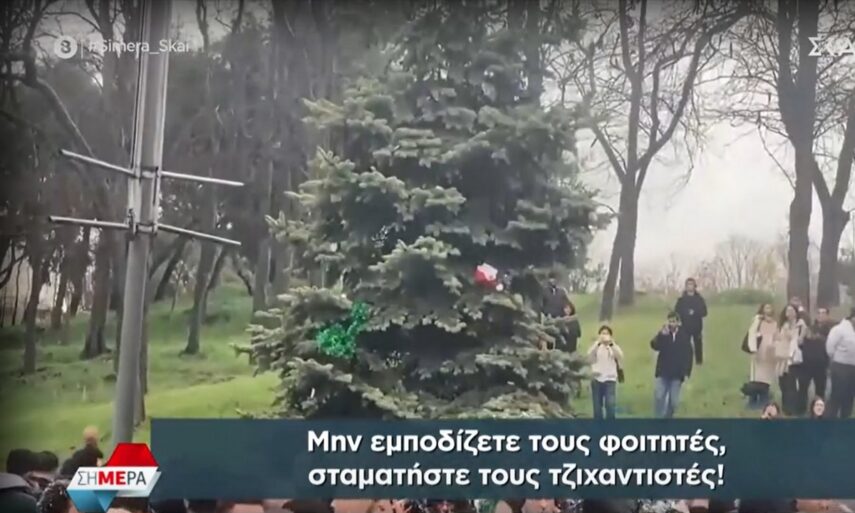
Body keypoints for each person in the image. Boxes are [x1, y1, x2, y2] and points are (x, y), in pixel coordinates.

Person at [650, 311, 693, 418]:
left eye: (674, 321)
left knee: (674, 402)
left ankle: (668, 418)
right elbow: (654, 346)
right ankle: (657, 419)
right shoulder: (663, 334)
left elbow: (689, 355)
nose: (671, 324)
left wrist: (687, 372)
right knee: (659, 396)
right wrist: (660, 335)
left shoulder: (684, 336)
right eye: (670, 321)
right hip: (663, 372)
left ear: (678, 323)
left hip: (677, 374)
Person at [776, 304, 808, 416]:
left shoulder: (801, 325)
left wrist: (798, 334)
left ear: (796, 312)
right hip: (782, 358)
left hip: (794, 359)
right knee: (783, 384)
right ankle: (786, 408)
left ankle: (795, 408)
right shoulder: (783, 325)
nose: (789, 313)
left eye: (792, 310)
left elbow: (801, 340)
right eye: (787, 311)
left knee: (792, 385)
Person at [744, 304, 778, 409]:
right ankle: (753, 400)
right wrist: (753, 350)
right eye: (766, 307)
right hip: (759, 350)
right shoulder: (758, 320)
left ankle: (764, 398)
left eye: (770, 307)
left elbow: (777, 336)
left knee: (767, 376)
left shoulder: (775, 323)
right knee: (756, 376)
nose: (768, 309)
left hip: (770, 352)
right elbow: (752, 334)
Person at [587, 325, 623, 420]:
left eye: (607, 334)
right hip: (597, 379)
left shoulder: (613, 346)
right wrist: (598, 343)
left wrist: (611, 344)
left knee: (610, 404)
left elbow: (620, 356)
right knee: (597, 406)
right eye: (603, 333)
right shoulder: (596, 346)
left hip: (610, 379)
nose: (604, 336)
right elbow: (589, 356)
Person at [826, 307, 855, 418]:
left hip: (853, 369)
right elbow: (830, 347)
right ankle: (830, 420)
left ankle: (845, 419)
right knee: (837, 395)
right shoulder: (839, 329)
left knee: (849, 397)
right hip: (840, 367)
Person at [674, 278, 708, 367]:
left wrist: (695, 312)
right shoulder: (681, 300)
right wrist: (684, 314)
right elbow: (676, 312)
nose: (690, 286)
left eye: (691, 284)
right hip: (685, 326)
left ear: (694, 286)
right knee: (684, 345)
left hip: (697, 326)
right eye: (688, 284)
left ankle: (699, 362)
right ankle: (685, 361)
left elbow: (704, 312)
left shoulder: (699, 299)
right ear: (685, 286)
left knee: (698, 344)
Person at [801, 307, 834, 400]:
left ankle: (819, 406)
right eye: (819, 313)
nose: (820, 315)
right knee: (803, 387)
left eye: (823, 313)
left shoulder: (831, 330)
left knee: (820, 389)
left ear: (827, 315)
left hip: (821, 363)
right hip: (807, 362)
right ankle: (802, 406)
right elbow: (803, 343)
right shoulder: (810, 328)